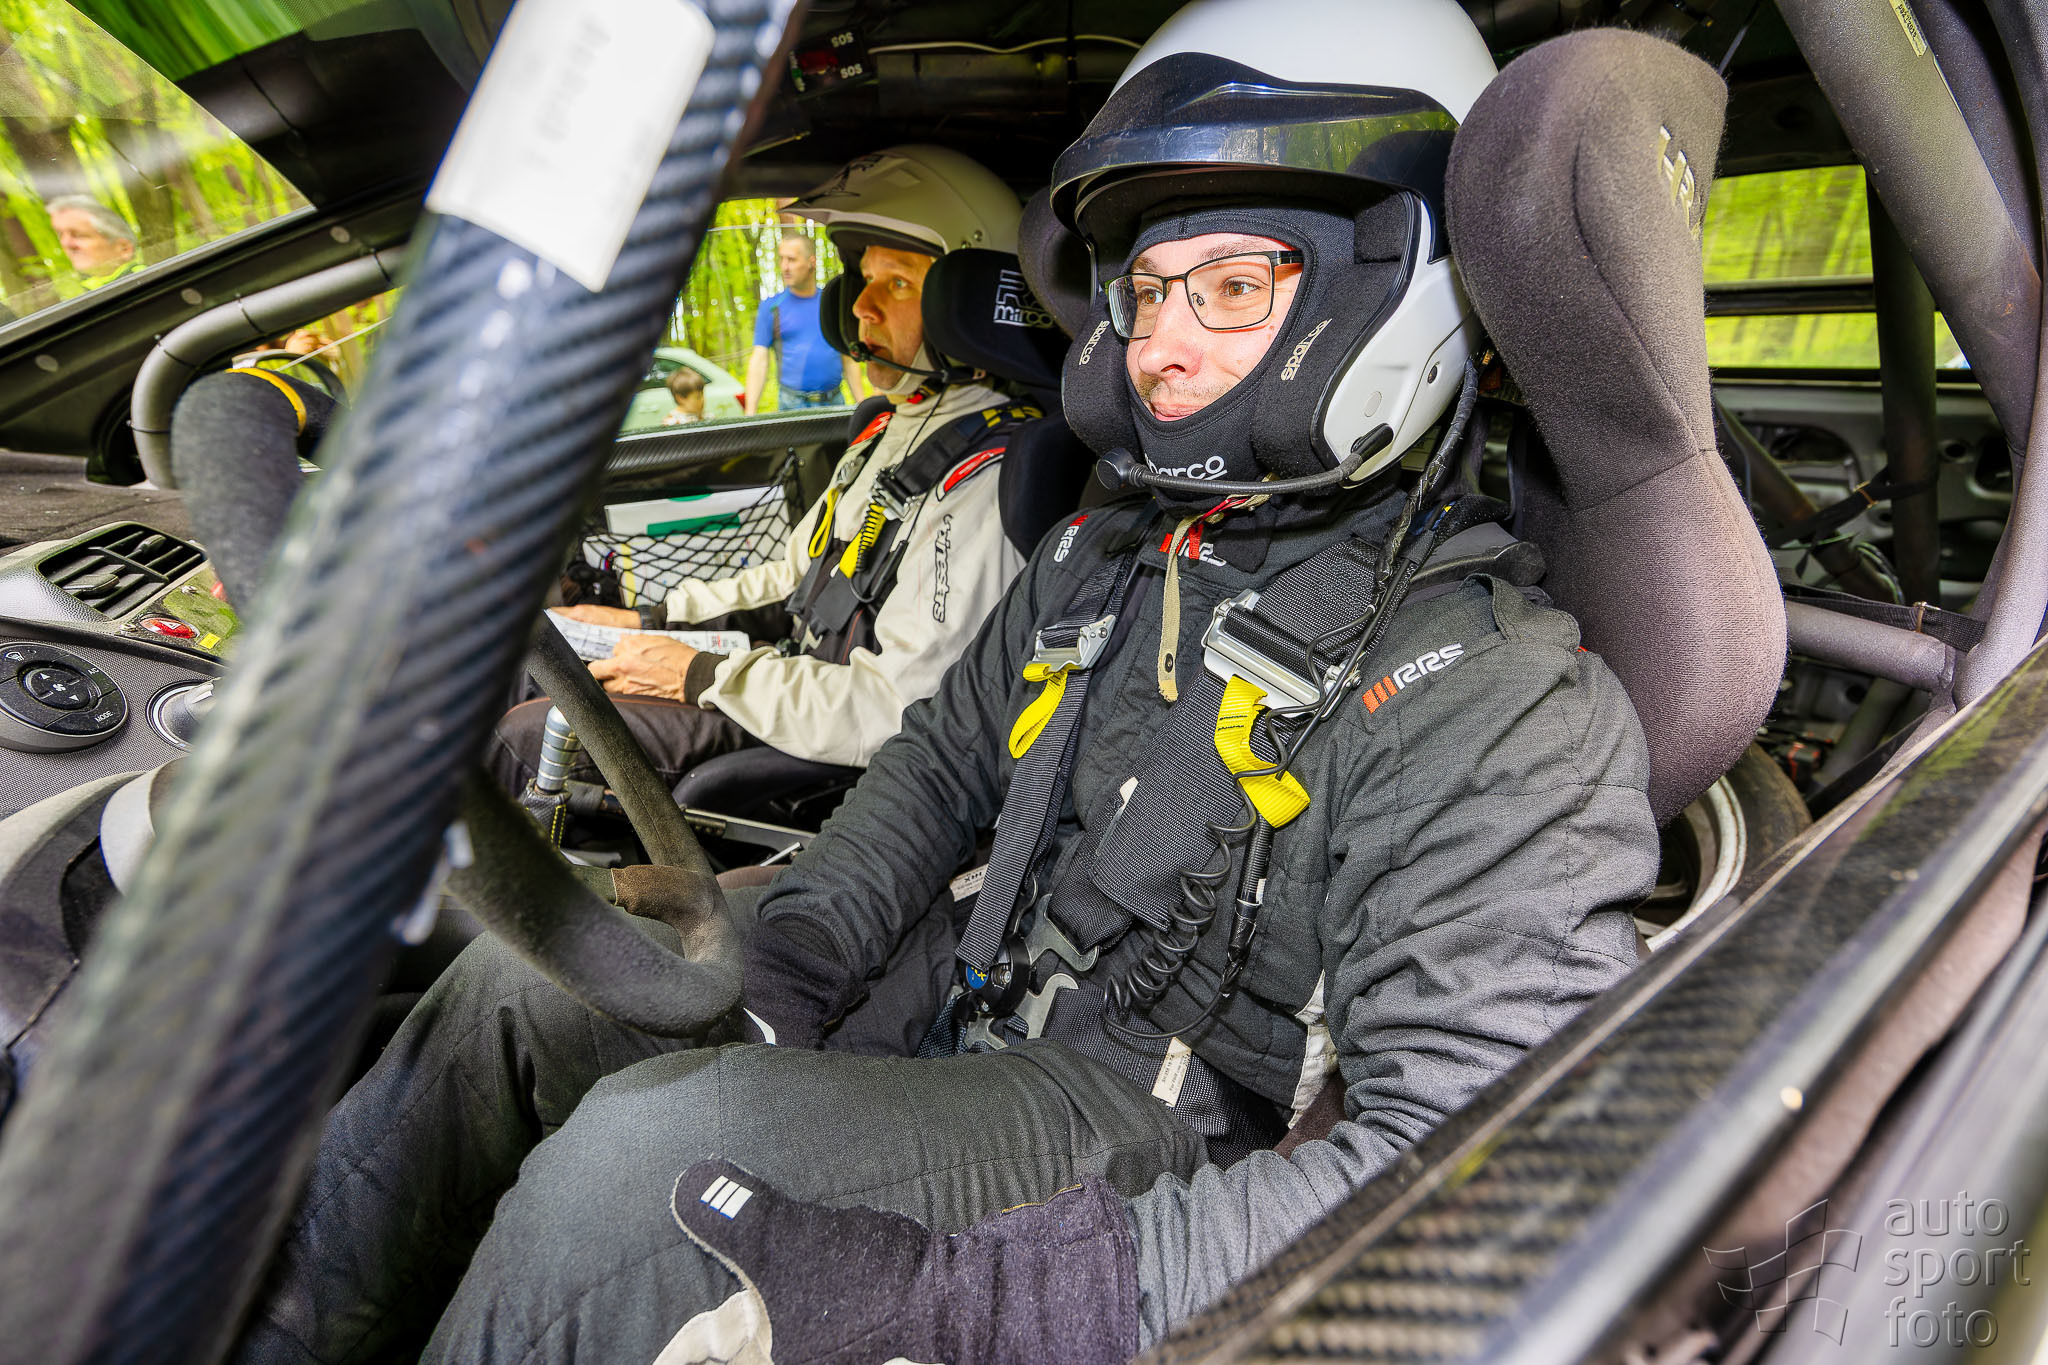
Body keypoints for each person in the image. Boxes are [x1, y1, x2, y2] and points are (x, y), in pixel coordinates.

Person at [233, 5, 1659, 1361]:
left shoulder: (1495, 691)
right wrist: (796, 958)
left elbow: (1487, 1174)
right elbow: (936, 769)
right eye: (1145, 290)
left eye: (1234, 288)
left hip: (1152, 1116)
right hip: (972, 971)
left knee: (638, 1178)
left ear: (1395, 287)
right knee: (533, 981)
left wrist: (984, 1302)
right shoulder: (1105, 552)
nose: (1160, 348)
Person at [485, 143, 1046, 792]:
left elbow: (896, 708)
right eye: (864, 280)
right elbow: (791, 579)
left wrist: (699, 674)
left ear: (971, 305)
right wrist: (650, 621)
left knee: (530, 732)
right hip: (785, 683)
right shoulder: (890, 428)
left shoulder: (989, 477)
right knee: (537, 658)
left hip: (824, 746)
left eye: (897, 284)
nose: (860, 308)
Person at [742, 231, 861, 412]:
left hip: (834, 401)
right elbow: (760, 359)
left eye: (791, 259)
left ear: (811, 262)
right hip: (792, 404)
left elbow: (848, 358)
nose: (784, 267)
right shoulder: (772, 307)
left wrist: (862, 403)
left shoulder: (831, 302)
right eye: (781, 259)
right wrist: (750, 413)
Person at [45, 195, 137, 285]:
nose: (65, 243)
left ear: (124, 248)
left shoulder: (141, 280)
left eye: (78, 235)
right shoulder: (88, 289)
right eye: (60, 235)